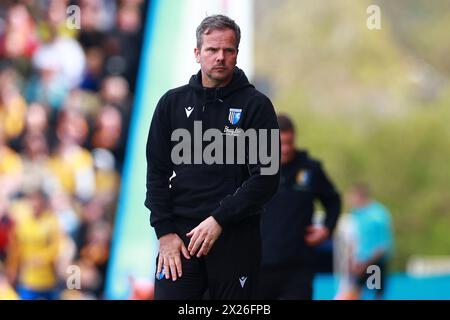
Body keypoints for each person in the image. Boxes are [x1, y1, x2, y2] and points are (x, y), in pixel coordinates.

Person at [145, 14, 280, 300]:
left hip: (235, 238)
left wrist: (220, 218)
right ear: (197, 53)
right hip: (180, 242)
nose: (220, 57)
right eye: (212, 50)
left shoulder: (257, 106)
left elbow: (266, 178)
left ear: (236, 54)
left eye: (228, 50)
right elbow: (155, 174)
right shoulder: (172, 103)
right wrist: (164, 233)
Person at [259, 114, 342, 299]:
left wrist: (327, 229)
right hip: (259, 265)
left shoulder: (310, 169)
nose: (286, 149)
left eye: (289, 142)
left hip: (298, 267)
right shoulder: (253, 170)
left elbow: (333, 201)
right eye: (280, 143)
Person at [344, 183, 394, 300]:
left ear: (360, 196)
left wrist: (366, 264)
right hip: (360, 263)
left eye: (352, 196)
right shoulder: (356, 214)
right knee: (355, 292)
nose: (349, 199)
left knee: (375, 293)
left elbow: (383, 245)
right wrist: (352, 261)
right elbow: (354, 240)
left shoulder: (377, 215)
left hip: (375, 263)